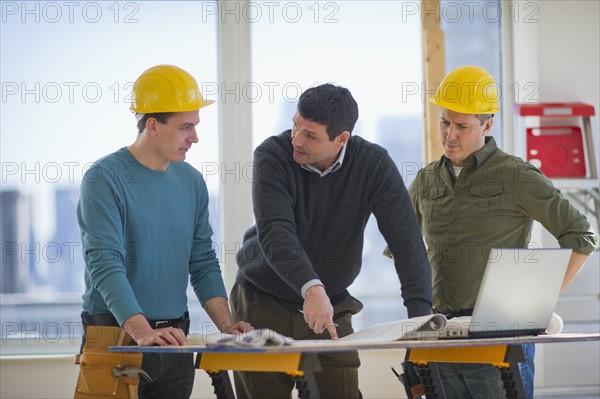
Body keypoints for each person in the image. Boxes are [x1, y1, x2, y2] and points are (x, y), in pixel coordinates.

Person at [406, 65, 599, 398]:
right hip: (441, 337)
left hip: (500, 337)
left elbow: (581, 236)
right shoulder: (426, 180)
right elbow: (404, 248)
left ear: (487, 124)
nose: (450, 135)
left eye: (462, 126)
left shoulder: (516, 176)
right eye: (445, 122)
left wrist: (538, 303)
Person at [230, 83, 433, 399]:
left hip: (332, 303)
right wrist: (311, 287)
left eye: (310, 135)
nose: (297, 139)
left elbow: (405, 239)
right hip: (262, 299)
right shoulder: (271, 155)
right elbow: (276, 234)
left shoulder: (374, 165)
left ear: (342, 139)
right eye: (295, 125)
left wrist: (420, 317)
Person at [75, 64, 252, 399]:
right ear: (153, 125)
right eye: (186, 127)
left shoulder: (192, 181)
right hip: (116, 335)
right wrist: (141, 332)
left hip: (174, 337)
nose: (195, 137)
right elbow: (105, 264)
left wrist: (228, 328)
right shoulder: (103, 178)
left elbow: (202, 262)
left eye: (196, 126)